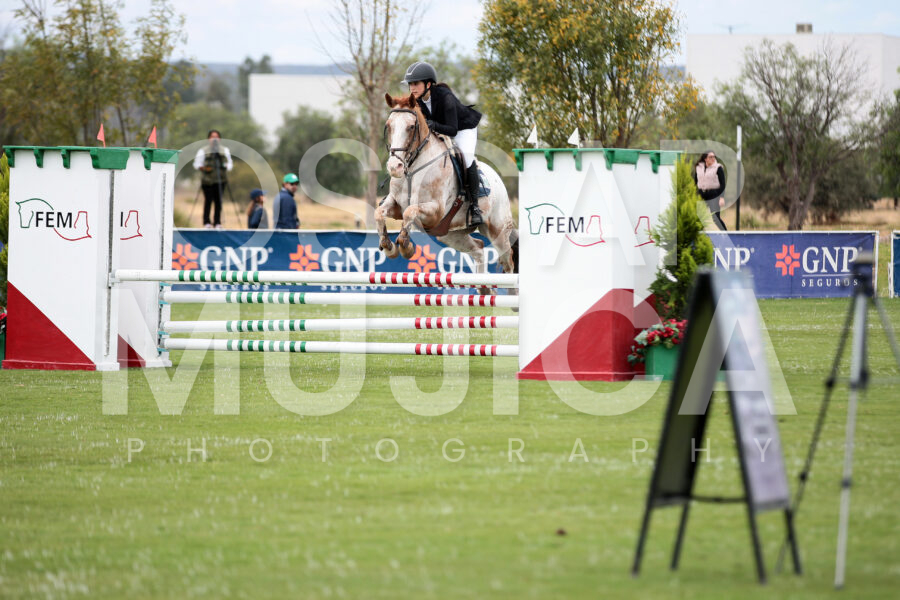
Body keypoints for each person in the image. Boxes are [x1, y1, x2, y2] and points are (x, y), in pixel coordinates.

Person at [403, 61, 484, 226]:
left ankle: (475, 207)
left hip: (463, 129)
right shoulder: (417, 101)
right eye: (410, 84)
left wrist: (432, 125)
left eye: (416, 84)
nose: (412, 88)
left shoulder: (445, 97)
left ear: (428, 84)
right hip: (441, 128)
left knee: (466, 158)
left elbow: (452, 130)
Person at [193, 130, 233, 229]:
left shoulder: (224, 150)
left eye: (216, 136)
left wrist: (224, 165)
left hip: (220, 180)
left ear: (220, 139)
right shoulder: (203, 150)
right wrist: (204, 168)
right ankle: (207, 222)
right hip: (207, 181)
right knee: (208, 200)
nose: (214, 139)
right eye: (212, 136)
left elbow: (230, 164)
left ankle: (217, 222)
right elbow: (197, 164)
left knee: (218, 201)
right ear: (208, 139)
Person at [693, 151, 727, 230]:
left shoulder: (718, 168)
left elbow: (723, 184)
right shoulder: (698, 168)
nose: (713, 158)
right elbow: (695, 181)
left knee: (716, 218)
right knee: (697, 216)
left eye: (714, 157)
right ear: (705, 159)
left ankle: (726, 234)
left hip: (714, 194)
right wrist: (694, 193)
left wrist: (721, 197)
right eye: (710, 157)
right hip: (701, 194)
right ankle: (699, 234)